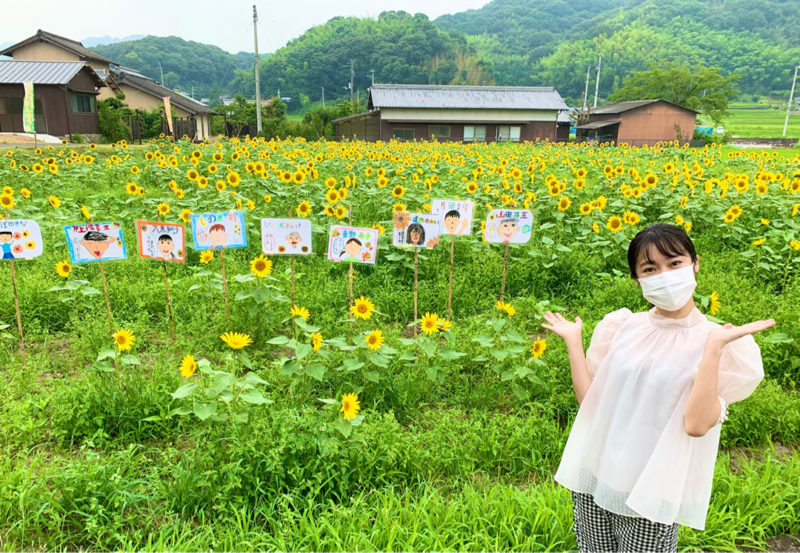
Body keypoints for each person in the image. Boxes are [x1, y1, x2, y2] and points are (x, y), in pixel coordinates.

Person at [541, 223, 775, 552]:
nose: (664, 274)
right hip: (594, 476)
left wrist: (712, 349)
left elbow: (696, 425)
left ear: (695, 264)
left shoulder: (720, 342)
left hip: (649, 494)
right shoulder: (622, 327)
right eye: (650, 268)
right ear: (637, 280)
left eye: (674, 263)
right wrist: (573, 342)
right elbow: (590, 403)